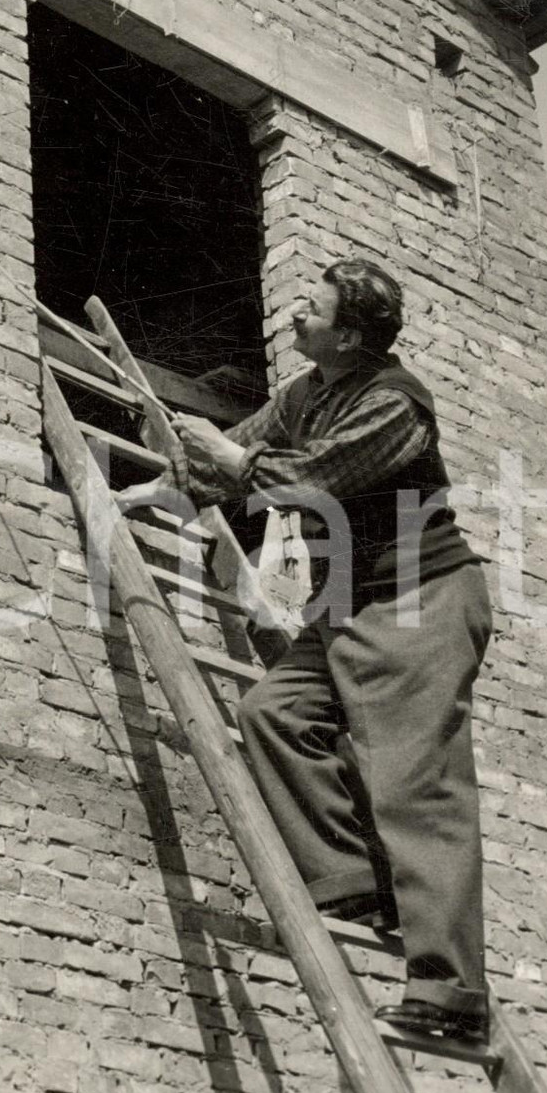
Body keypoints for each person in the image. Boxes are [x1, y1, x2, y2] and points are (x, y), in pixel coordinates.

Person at [116, 260, 493, 1043]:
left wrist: (230, 461)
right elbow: (235, 460)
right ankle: (355, 882)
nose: (293, 315)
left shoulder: (395, 404)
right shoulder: (305, 392)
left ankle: (450, 998)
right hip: (348, 603)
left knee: (416, 789)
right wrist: (172, 479)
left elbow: (309, 479)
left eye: (311, 309)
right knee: (274, 712)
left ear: (349, 334)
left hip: (417, 600)